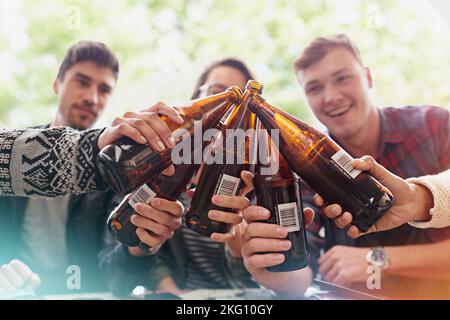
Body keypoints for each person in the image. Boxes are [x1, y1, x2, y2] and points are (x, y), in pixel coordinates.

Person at [241, 34, 450, 299]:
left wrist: (380, 259)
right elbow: (302, 274)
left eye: (342, 78)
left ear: (368, 77)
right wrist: (273, 271)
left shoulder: (434, 127)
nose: (332, 97)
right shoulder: (305, 167)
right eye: (315, 88)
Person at [99, 58, 259, 296]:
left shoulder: (257, 185)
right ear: (201, 103)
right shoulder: (155, 169)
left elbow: (271, 284)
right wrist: (141, 248)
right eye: (219, 95)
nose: (229, 111)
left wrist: (239, 248)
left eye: (241, 106)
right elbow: (111, 279)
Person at [318, 156, 450, 236]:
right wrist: (414, 201)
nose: (334, 107)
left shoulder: (431, 123)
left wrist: (417, 200)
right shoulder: (314, 168)